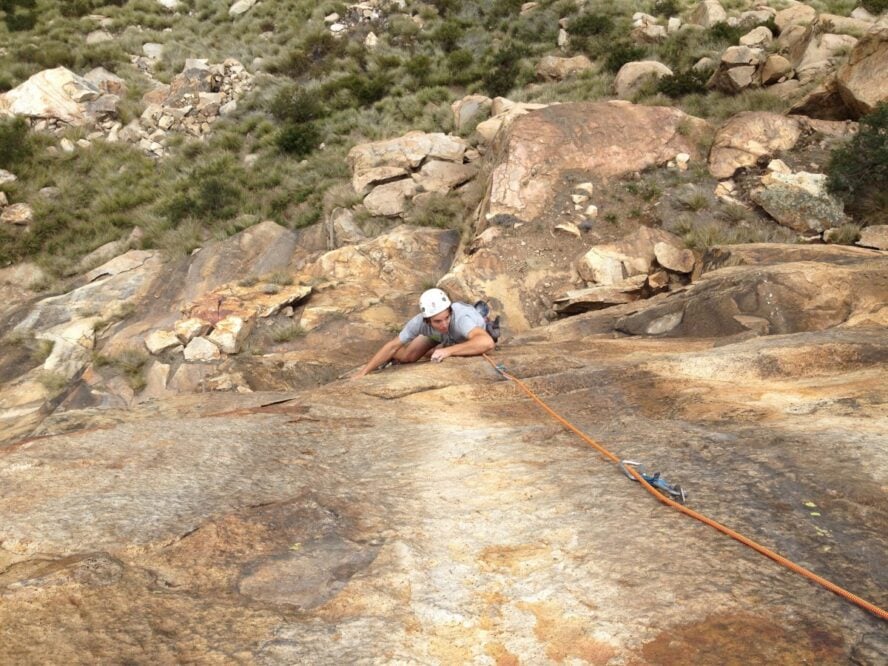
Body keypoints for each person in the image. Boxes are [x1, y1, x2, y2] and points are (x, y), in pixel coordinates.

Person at [353, 288, 496, 379]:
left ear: (450, 312)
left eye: (446, 318)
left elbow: (487, 343)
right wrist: (364, 372)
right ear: (427, 321)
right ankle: (438, 346)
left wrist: (448, 351)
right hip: (438, 336)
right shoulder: (418, 323)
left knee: (461, 342)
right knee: (409, 357)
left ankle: (482, 317)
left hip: (462, 332)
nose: (444, 324)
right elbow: (393, 345)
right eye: (437, 321)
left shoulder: (460, 318)